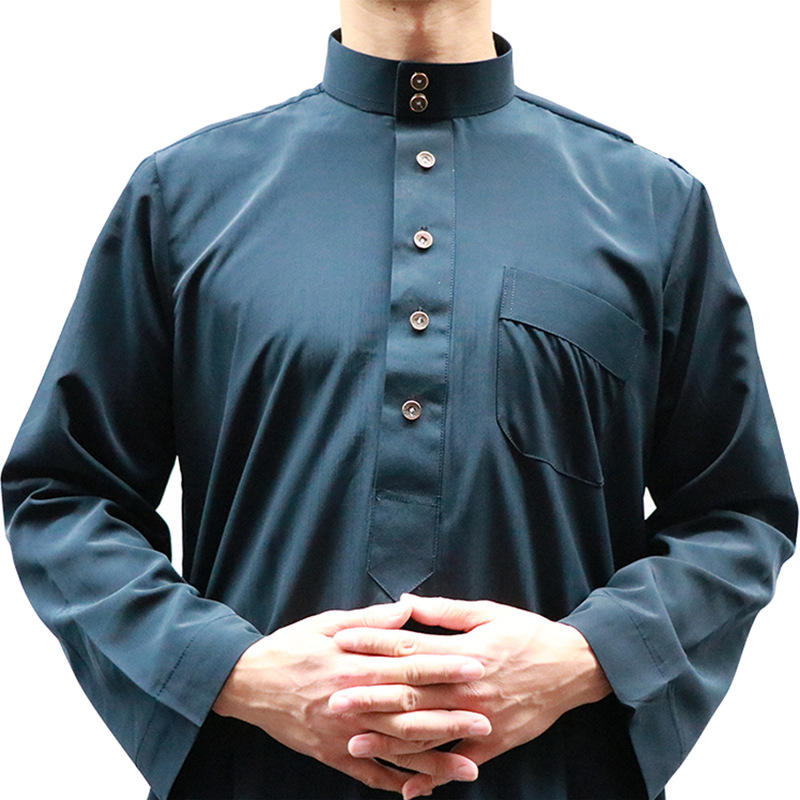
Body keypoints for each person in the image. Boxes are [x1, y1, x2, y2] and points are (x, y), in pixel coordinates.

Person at [2, 1, 796, 798]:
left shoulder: (648, 206)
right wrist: (232, 671)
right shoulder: (186, 197)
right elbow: (64, 494)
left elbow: (737, 512)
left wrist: (588, 656)